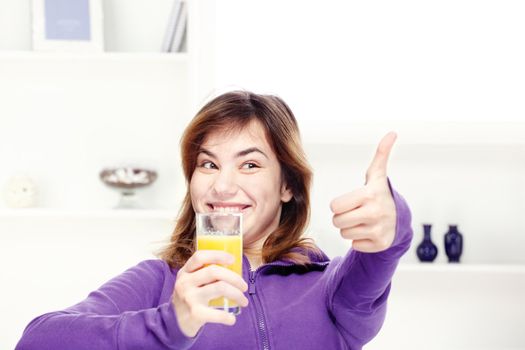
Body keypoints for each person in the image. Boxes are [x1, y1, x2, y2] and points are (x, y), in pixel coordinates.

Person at [16, 91, 413, 350]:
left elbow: (375, 258)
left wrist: (392, 227)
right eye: (208, 163)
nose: (222, 185)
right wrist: (169, 325)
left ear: (287, 185)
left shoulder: (331, 288)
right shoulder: (162, 282)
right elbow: (38, 341)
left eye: (250, 164)